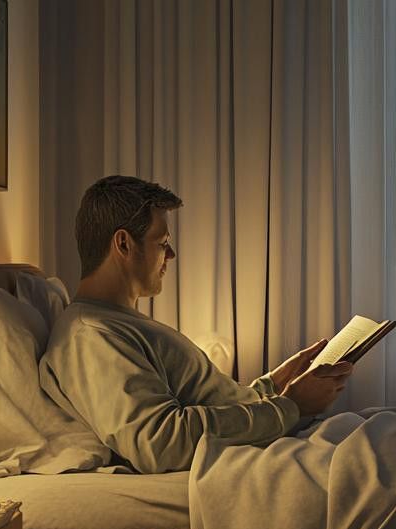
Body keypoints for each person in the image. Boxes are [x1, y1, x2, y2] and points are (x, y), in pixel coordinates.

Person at [39, 175, 352, 473]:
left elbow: (201, 401)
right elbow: (160, 441)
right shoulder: (92, 336)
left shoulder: (117, 323)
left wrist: (272, 387)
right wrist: (290, 406)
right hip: (267, 452)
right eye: (162, 243)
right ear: (123, 244)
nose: (171, 254)